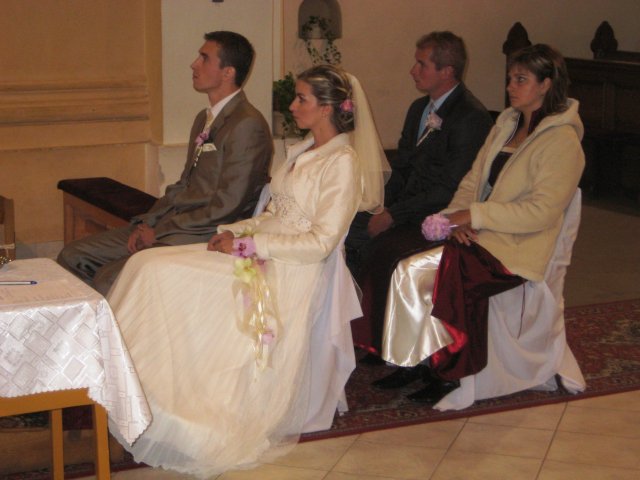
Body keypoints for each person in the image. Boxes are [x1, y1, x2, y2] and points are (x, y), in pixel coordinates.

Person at [105, 65, 389, 477]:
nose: (292, 106)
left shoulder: (342, 162)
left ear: (328, 108)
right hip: (262, 248)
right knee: (146, 264)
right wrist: (235, 232)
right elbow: (275, 213)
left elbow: (320, 244)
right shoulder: (304, 149)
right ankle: (130, 385)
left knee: (162, 274)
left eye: (302, 99)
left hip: (293, 268)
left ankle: (167, 403)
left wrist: (250, 246)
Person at [377, 44, 585, 405]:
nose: (510, 86)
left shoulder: (562, 142)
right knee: (408, 266)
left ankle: (452, 374)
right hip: (480, 234)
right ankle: (414, 361)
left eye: (521, 79)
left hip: (518, 247)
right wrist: (454, 218)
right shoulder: (506, 124)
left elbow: (542, 212)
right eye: (510, 78)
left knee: (448, 273)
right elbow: (473, 181)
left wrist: (475, 216)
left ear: (546, 85)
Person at [57, 31, 273, 295]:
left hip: (203, 232)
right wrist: (148, 223)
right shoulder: (203, 118)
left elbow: (227, 206)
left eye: (204, 58)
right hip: (173, 224)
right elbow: (184, 184)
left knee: (109, 279)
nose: (194, 64)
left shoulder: (247, 124)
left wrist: (159, 232)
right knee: (73, 255)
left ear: (228, 72)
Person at [347, 31, 493, 363]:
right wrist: (376, 203)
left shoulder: (470, 117)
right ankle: (367, 333)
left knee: (377, 246)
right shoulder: (418, 109)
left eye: (421, 64)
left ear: (447, 71)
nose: (413, 71)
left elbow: (450, 187)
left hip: (438, 215)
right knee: (347, 229)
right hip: (407, 206)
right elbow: (401, 167)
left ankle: (387, 340)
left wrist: (393, 216)